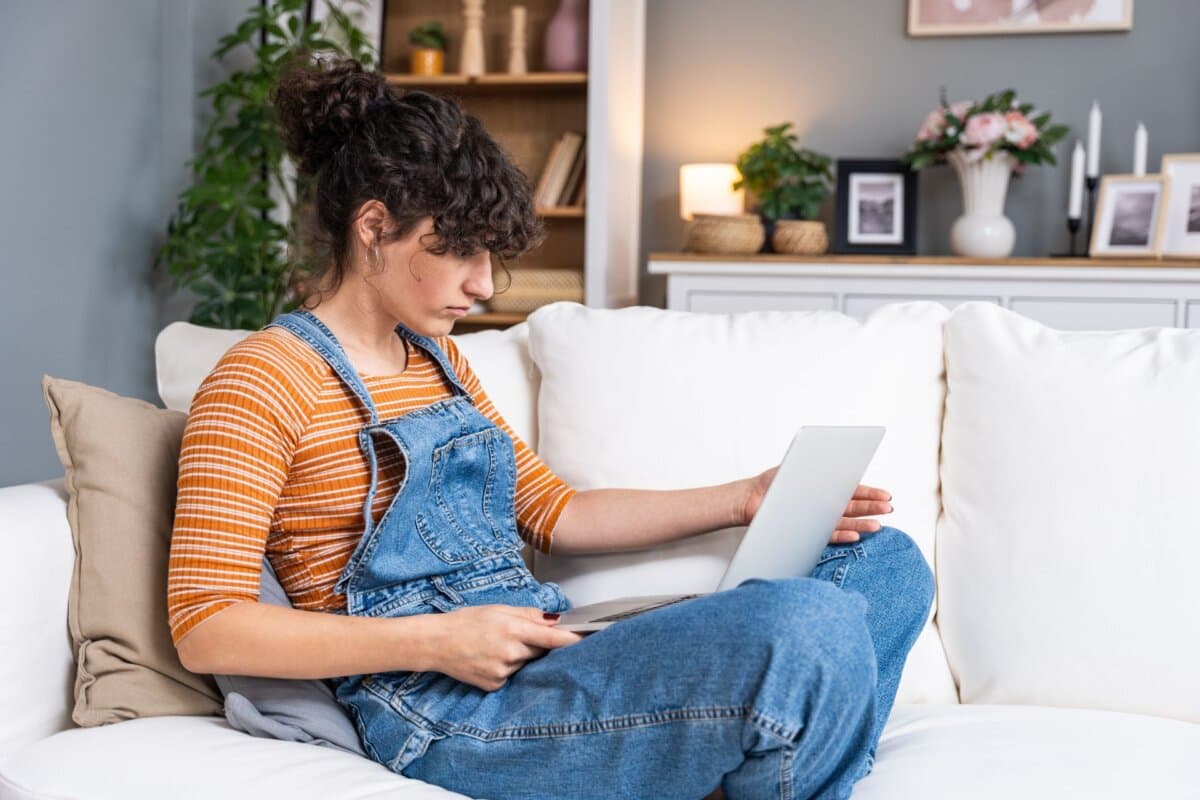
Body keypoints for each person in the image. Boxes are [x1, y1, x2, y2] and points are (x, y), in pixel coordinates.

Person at [166, 57, 934, 800]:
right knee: (810, 625)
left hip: (540, 651)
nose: (481, 283)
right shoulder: (260, 378)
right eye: (459, 249)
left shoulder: (438, 362)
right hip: (437, 708)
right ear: (374, 227)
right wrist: (437, 641)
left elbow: (556, 514)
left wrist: (746, 498)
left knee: (886, 565)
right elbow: (208, 626)